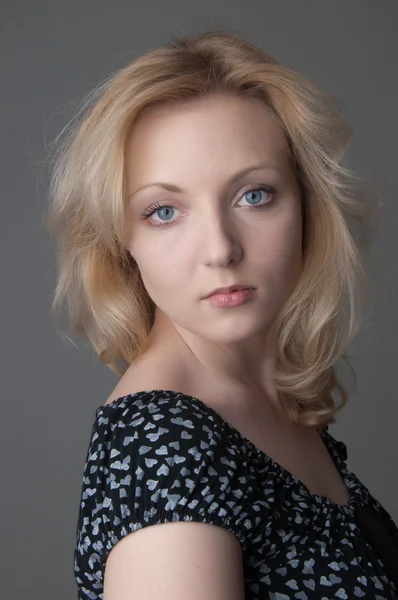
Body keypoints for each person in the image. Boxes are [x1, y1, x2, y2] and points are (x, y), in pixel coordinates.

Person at [44, 29, 398, 600]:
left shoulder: (260, 400)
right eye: (164, 211)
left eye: (253, 195)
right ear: (118, 240)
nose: (220, 249)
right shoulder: (164, 449)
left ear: (307, 206)